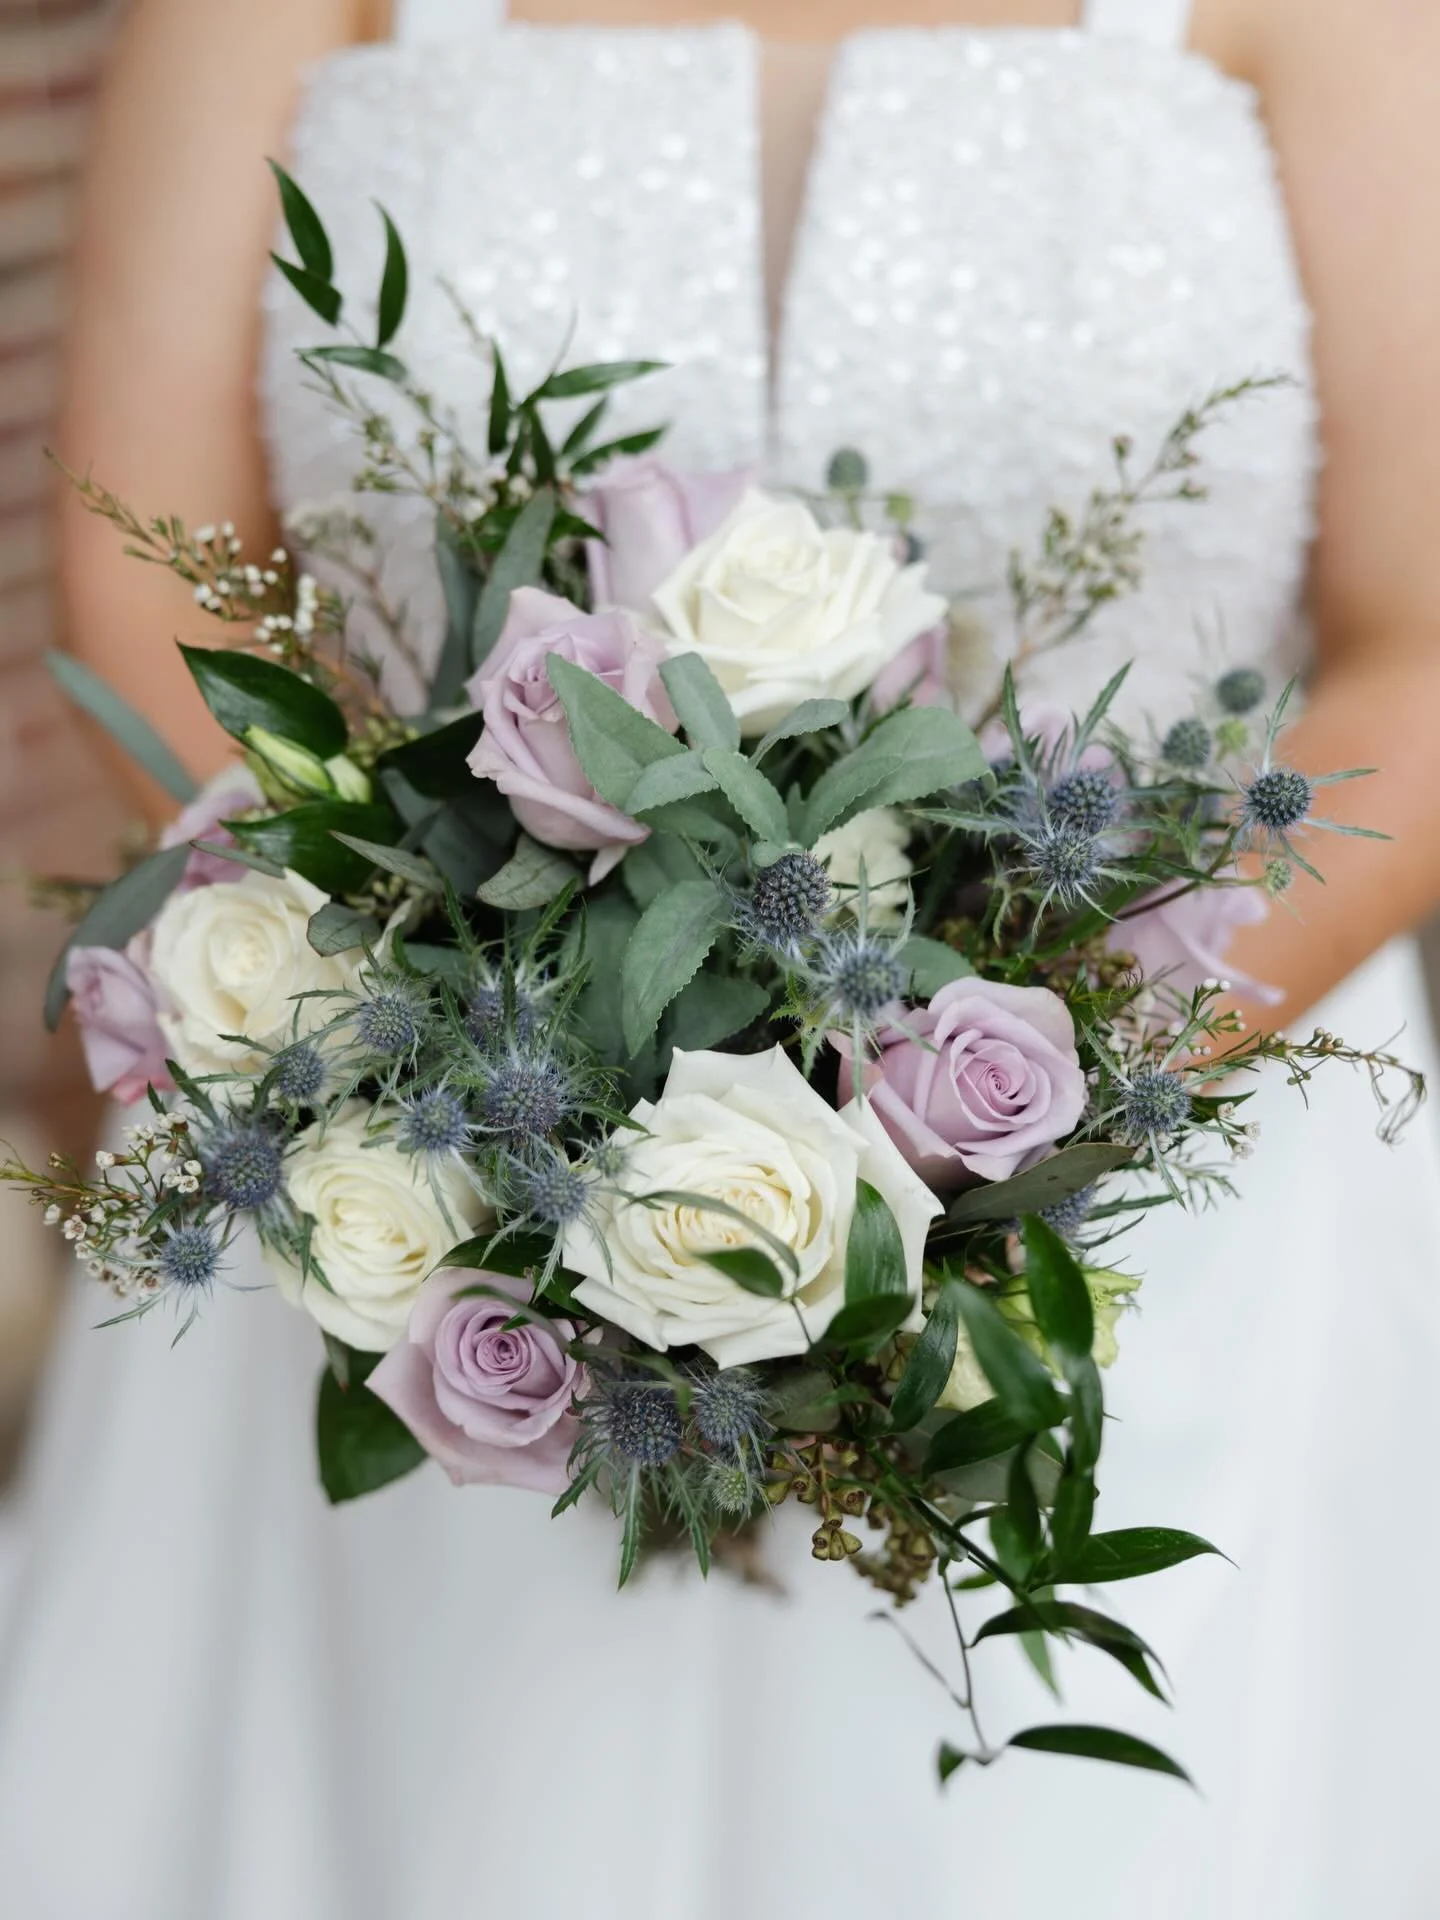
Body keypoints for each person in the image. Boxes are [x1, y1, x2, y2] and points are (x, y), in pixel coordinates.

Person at [3, 1, 1440, 1913]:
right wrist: (447, 1053)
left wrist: (1022, 1121)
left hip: (1166, 1196)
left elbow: (1414, 647)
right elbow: (157, 561)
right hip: (422, 1187)